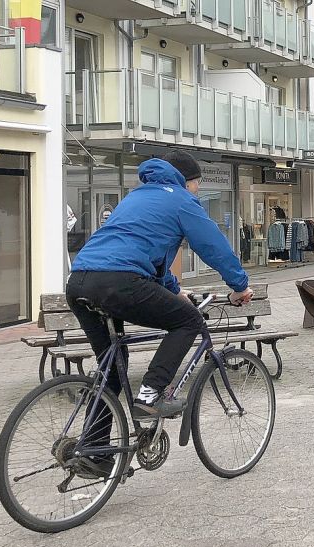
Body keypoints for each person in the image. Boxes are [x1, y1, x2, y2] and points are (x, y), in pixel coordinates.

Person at [66, 151, 253, 477]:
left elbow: (147, 252)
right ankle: (150, 395)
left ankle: (93, 451)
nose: (196, 190)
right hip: (119, 282)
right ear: (188, 181)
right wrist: (239, 285)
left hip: (81, 280)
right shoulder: (182, 199)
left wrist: (173, 288)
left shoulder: (136, 197)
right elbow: (213, 246)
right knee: (188, 320)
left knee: (112, 364)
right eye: (197, 184)